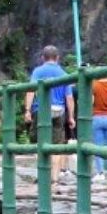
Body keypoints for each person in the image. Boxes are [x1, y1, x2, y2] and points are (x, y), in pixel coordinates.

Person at [25, 46, 76, 179]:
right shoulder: (64, 74)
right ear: (58, 58)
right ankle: (54, 179)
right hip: (59, 111)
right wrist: (71, 117)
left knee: (38, 142)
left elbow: (30, 91)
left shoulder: (38, 72)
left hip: (40, 110)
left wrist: (27, 111)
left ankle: (44, 175)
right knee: (57, 146)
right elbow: (69, 98)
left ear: (43, 57)